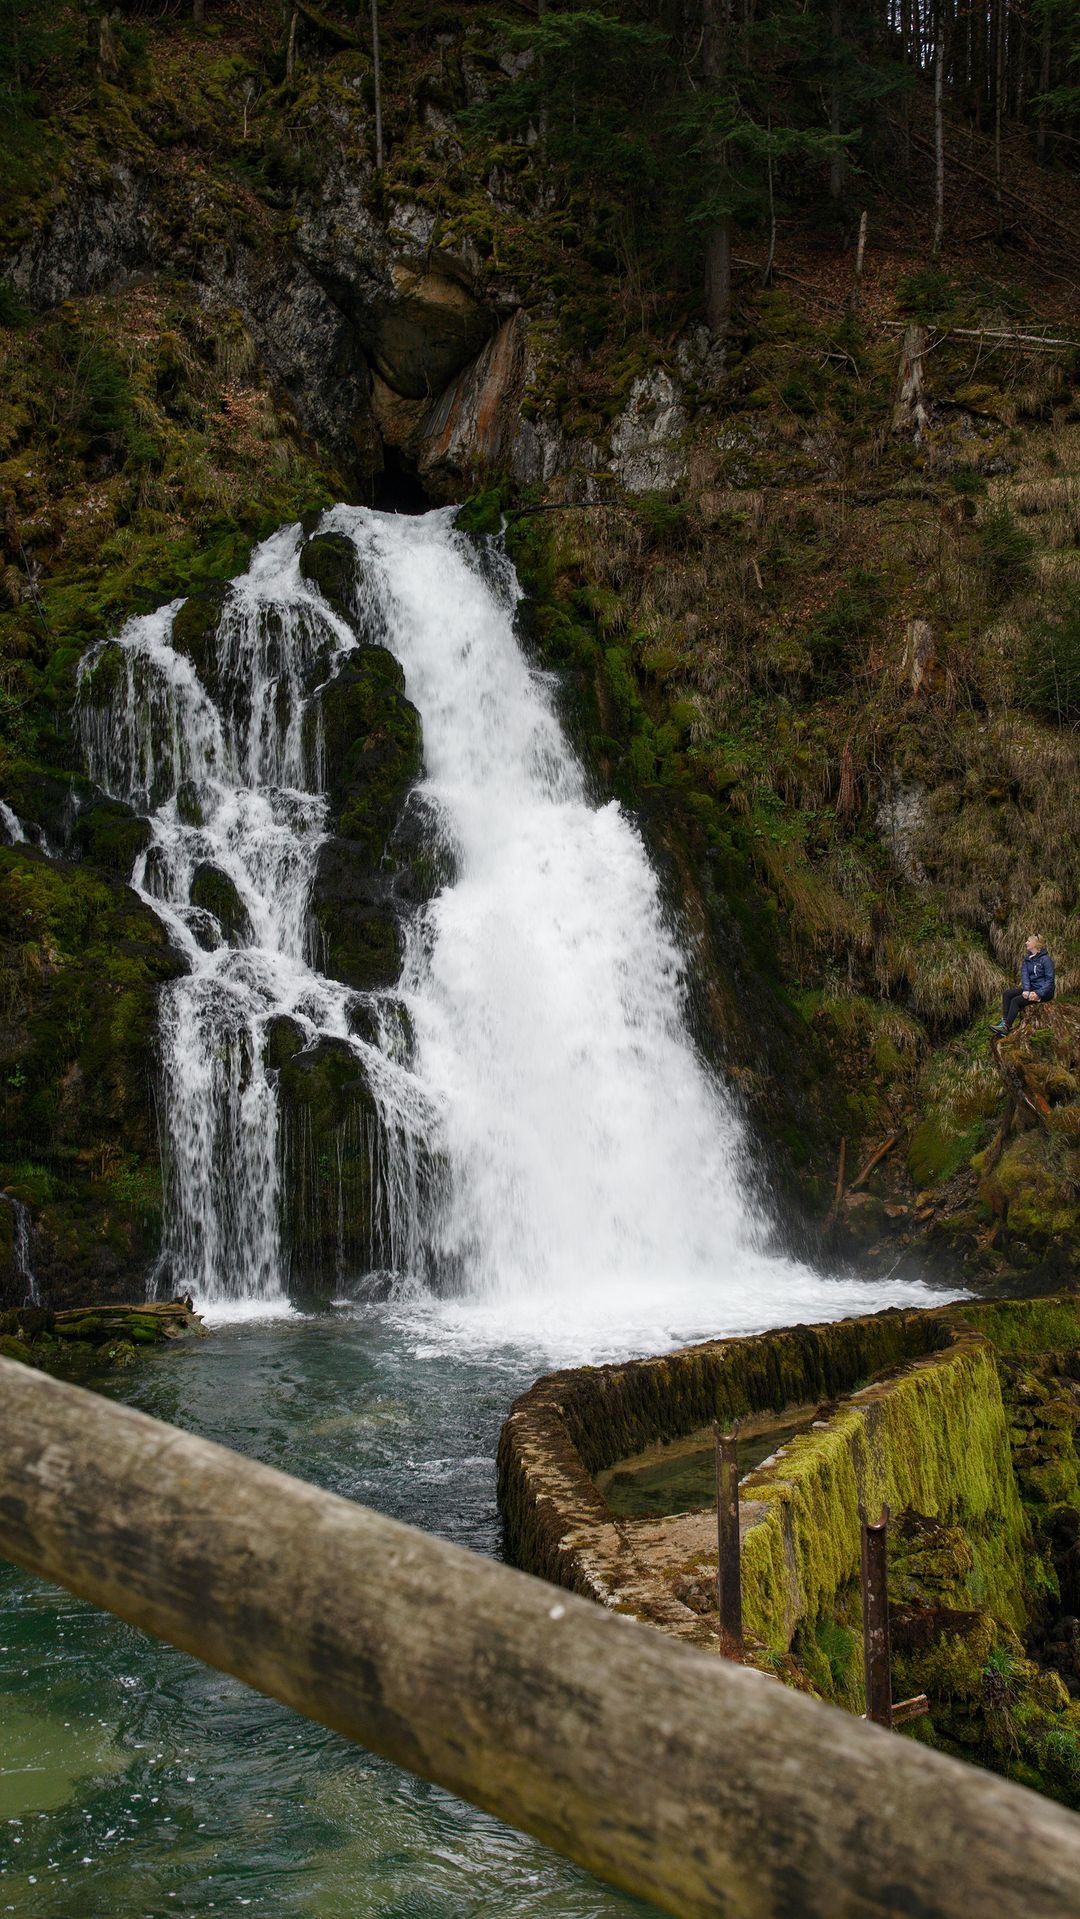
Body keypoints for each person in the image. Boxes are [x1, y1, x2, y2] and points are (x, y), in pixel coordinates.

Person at [991, 935, 1056, 1036]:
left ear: (1036, 944)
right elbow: (1025, 976)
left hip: (1045, 992)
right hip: (1032, 989)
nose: (1026, 943)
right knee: (1007, 994)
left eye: (1028, 941)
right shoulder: (1028, 959)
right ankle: (1004, 1022)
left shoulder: (1046, 959)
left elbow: (1050, 981)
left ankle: (1006, 1027)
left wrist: (1038, 993)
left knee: (1016, 1001)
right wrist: (1026, 990)